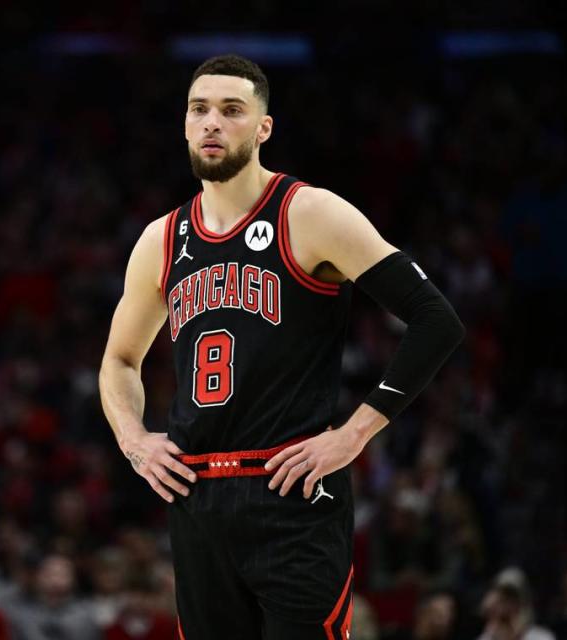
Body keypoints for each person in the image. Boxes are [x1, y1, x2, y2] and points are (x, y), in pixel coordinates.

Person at [99, 54, 465, 639]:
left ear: (263, 128)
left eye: (231, 110)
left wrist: (354, 434)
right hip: (197, 500)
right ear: (185, 125)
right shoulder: (160, 239)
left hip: (290, 495)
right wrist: (134, 441)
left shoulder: (310, 212)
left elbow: (435, 320)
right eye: (199, 110)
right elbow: (119, 361)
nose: (212, 122)